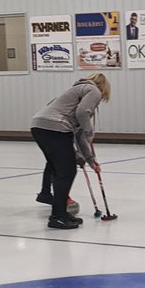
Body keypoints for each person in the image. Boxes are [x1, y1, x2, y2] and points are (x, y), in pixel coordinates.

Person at [30, 73, 110, 229]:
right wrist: (90, 131)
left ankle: (61, 212)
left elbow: (79, 135)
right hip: (54, 127)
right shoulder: (93, 91)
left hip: (40, 126)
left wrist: (90, 160)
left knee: (59, 169)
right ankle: (57, 217)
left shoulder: (76, 92)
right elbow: (82, 114)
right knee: (66, 172)